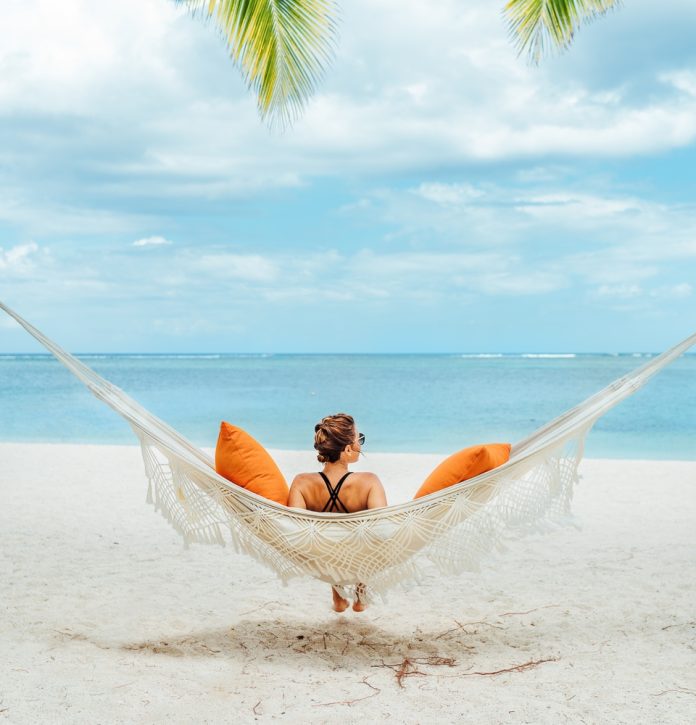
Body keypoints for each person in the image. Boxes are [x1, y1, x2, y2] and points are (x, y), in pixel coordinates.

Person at [288, 413, 387, 612]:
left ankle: (338, 596)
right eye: (360, 439)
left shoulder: (301, 482)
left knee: (329, 539)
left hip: (324, 555)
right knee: (366, 539)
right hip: (361, 554)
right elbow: (382, 529)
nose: (361, 444)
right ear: (348, 449)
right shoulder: (369, 481)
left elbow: (294, 529)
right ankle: (361, 592)